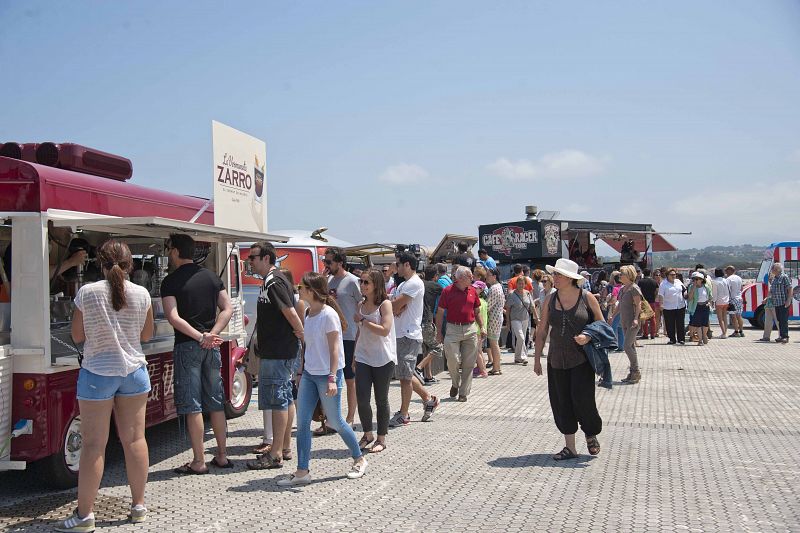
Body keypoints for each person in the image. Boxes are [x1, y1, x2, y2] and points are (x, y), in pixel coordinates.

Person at [56, 240, 154, 532]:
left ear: (99, 263)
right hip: (135, 373)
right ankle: (138, 506)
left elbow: (76, 334)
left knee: (93, 446)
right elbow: (146, 335)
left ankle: (85, 516)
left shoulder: (87, 293)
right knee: (135, 440)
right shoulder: (142, 294)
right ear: (130, 264)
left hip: (98, 373)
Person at [278, 272, 367, 486]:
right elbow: (307, 346)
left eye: (302, 287)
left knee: (335, 421)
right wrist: (300, 371)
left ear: (311, 291)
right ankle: (302, 471)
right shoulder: (308, 314)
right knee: (303, 423)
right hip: (309, 374)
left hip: (328, 374)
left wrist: (331, 378)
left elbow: (335, 348)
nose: (298, 290)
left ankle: (359, 458)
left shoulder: (329, 315)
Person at [161, 234, 234, 475]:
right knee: (215, 401)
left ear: (174, 252)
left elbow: (173, 317)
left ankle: (199, 460)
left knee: (192, 405)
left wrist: (198, 337)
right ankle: (222, 455)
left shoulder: (170, 281)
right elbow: (228, 308)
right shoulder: (212, 277)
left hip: (187, 346)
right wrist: (211, 334)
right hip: (211, 347)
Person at [533, 258, 603, 460]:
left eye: (558, 275)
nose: (554, 277)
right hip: (556, 359)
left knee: (583, 401)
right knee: (561, 402)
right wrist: (537, 359)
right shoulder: (550, 299)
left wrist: (588, 336)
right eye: (554, 274)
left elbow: (602, 325)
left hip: (582, 359)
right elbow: (542, 329)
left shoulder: (587, 297)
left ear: (571, 278)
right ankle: (570, 447)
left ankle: (591, 434)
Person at [245, 241, 304, 470]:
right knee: (285, 398)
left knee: (278, 399)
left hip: (278, 352)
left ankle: (276, 453)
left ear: (266, 258)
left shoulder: (274, 281)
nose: (249, 261)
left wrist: (301, 334)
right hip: (278, 350)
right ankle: (284, 447)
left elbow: (290, 311)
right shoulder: (272, 280)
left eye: (253, 257)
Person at [389, 252, 440, 426]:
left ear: (407, 265)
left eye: (398, 264)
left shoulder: (414, 283)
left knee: (404, 377)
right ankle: (428, 399)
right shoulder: (403, 284)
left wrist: (396, 305)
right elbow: (395, 306)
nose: (396, 267)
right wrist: (396, 306)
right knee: (406, 374)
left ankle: (404, 414)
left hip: (409, 335)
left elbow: (395, 306)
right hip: (401, 333)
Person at [354, 269, 396, 453]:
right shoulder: (360, 305)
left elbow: (385, 329)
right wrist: (354, 354)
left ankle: (381, 438)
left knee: (381, 399)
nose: (362, 286)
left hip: (383, 357)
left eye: (366, 282)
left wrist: (364, 321)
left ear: (376, 285)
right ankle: (367, 433)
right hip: (363, 356)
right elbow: (359, 331)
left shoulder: (385, 304)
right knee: (362, 398)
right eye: (361, 282)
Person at [324, 247, 361, 429]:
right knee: (332, 377)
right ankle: (332, 418)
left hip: (349, 336)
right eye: (325, 261)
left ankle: (350, 417)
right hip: (331, 336)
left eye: (329, 261)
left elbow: (362, 305)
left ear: (339, 262)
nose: (326, 265)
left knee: (349, 378)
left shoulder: (353, 281)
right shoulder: (328, 280)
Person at [435, 266, 484, 402]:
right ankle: (455, 383)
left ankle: (463, 393)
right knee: (453, 360)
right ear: (461, 278)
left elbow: (477, 311)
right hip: (452, 329)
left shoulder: (473, 291)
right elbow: (439, 313)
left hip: (470, 329)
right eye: (470, 276)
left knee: (469, 363)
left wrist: (482, 327)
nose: (472, 278)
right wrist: (438, 332)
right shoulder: (447, 291)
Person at [417, 265, 444, 384]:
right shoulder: (436, 286)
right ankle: (419, 368)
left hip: (417, 322)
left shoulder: (419, 283)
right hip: (427, 321)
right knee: (437, 347)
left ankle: (428, 376)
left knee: (426, 350)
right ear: (436, 276)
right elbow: (447, 293)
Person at [617, 265, 643, 383]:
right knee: (630, 346)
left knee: (626, 346)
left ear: (628, 275)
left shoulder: (634, 288)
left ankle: (636, 371)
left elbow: (638, 304)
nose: (620, 276)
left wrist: (636, 318)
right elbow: (620, 304)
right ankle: (633, 372)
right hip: (624, 320)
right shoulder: (623, 289)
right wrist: (613, 316)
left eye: (622, 274)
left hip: (633, 321)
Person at [504, 275, 534, 365]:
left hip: (525, 319)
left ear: (525, 284)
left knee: (522, 338)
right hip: (515, 319)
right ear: (516, 284)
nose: (521, 285)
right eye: (519, 283)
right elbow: (508, 308)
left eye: (522, 283)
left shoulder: (528, 293)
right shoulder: (512, 294)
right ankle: (523, 357)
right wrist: (508, 322)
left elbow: (532, 306)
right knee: (521, 337)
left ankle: (517, 357)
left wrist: (536, 318)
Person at [658, 269, 686, 345]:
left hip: (680, 305)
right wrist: (661, 304)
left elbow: (684, 290)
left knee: (680, 323)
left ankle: (681, 339)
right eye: (672, 275)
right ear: (667, 275)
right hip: (668, 306)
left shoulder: (678, 281)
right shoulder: (663, 284)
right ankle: (672, 339)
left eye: (674, 274)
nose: (674, 276)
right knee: (670, 324)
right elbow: (661, 295)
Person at [485, 268, 505, 375]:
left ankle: (496, 367)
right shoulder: (498, 287)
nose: (486, 277)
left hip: (494, 319)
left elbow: (488, 305)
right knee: (494, 343)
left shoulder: (494, 288)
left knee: (494, 343)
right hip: (497, 318)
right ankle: (497, 367)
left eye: (488, 275)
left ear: (494, 276)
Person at [687, 271, 713, 346]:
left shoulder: (706, 287)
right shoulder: (691, 287)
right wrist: (693, 288)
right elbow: (690, 298)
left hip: (705, 306)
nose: (695, 281)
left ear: (701, 279)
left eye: (697, 279)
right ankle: (700, 340)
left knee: (705, 324)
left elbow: (710, 297)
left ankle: (704, 335)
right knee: (698, 324)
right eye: (693, 279)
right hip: (696, 307)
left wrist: (709, 302)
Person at [769, 262, 792, 343]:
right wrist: (767, 298)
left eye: (773, 269)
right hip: (777, 303)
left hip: (783, 302)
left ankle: (785, 336)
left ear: (777, 269)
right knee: (779, 320)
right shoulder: (775, 278)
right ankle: (781, 336)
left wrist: (788, 300)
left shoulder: (784, 277)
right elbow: (772, 290)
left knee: (783, 320)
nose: (772, 270)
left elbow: (789, 288)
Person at [472, 280, 490, 379]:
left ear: (481, 290)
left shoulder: (478, 302)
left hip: (477, 329)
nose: (474, 289)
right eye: (473, 287)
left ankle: (483, 371)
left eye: (476, 288)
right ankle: (482, 369)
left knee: (477, 351)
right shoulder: (484, 302)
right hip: (481, 329)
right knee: (479, 350)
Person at [637, 269, 659, 340]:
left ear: (643, 273)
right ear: (650, 273)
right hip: (652, 301)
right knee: (653, 318)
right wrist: (654, 297)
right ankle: (653, 334)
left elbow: (639, 291)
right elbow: (657, 291)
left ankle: (645, 334)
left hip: (644, 301)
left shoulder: (640, 281)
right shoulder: (654, 281)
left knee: (645, 318)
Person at [758, 269, 779, 342]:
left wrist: (766, 299)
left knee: (777, 321)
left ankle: (780, 336)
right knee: (768, 321)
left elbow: (774, 293)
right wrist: (766, 299)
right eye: (769, 277)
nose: (770, 279)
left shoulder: (776, 283)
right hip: (769, 304)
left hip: (774, 303)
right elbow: (771, 294)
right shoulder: (772, 284)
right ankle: (766, 336)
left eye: (771, 277)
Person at [725, 266, 745, 337]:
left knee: (733, 316)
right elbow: (741, 288)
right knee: (739, 316)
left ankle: (736, 332)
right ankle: (741, 331)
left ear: (730, 271)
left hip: (732, 299)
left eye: (726, 271)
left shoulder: (728, 279)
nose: (725, 272)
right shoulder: (739, 278)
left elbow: (727, 290)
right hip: (739, 298)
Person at [711, 268, 731, 339]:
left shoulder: (714, 282)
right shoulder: (725, 280)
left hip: (719, 301)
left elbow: (714, 293)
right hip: (726, 300)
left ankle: (723, 333)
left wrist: (713, 301)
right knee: (725, 317)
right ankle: (725, 332)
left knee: (720, 319)